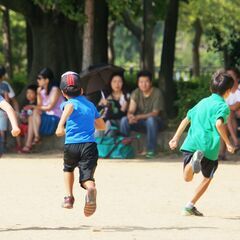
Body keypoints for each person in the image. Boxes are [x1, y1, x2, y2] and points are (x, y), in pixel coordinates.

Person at [169, 69, 235, 216]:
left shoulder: (202, 102)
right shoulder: (223, 106)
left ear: (211, 88)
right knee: (207, 177)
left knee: (187, 178)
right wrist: (228, 143)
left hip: (191, 143)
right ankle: (189, 205)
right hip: (209, 148)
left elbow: (186, 119)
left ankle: (193, 161)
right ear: (228, 91)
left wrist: (175, 138)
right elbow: (219, 124)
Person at [55, 71, 105, 217]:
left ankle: (68, 197)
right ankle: (90, 188)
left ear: (63, 92)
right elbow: (102, 126)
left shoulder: (67, 103)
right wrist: (91, 119)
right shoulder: (90, 105)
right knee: (87, 177)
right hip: (89, 145)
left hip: (71, 145)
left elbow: (70, 107)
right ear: (82, 90)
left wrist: (60, 125)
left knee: (68, 169)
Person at [120, 70, 164, 158]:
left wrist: (138, 116)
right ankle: (124, 148)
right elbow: (131, 109)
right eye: (141, 82)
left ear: (151, 82)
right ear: (138, 83)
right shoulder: (136, 92)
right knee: (124, 120)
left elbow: (155, 113)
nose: (143, 84)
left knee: (151, 120)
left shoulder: (157, 93)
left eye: (146, 81)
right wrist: (130, 116)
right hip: (141, 122)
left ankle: (151, 149)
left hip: (156, 123)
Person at [22, 68, 64, 153]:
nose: (38, 80)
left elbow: (49, 107)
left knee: (35, 111)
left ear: (47, 80)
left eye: (39, 78)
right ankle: (31, 142)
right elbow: (40, 106)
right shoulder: (42, 91)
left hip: (56, 118)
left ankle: (33, 140)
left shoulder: (55, 90)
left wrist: (33, 107)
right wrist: (38, 94)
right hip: (47, 116)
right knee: (31, 116)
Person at [219, 67, 240, 160]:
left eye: (232, 76)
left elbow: (236, 106)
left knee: (229, 114)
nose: (229, 78)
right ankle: (235, 142)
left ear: (237, 77)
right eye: (228, 76)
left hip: (236, 115)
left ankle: (222, 153)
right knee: (224, 123)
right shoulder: (224, 90)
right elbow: (220, 105)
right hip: (229, 118)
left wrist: (228, 108)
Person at [18, 84, 37, 150]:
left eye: (31, 93)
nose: (29, 94)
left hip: (29, 124)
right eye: (27, 93)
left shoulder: (36, 105)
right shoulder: (25, 104)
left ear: (36, 94)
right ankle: (20, 145)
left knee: (26, 129)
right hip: (23, 123)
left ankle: (27, 146)